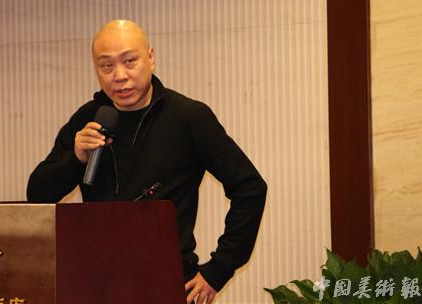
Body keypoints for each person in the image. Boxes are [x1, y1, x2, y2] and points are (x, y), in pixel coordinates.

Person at [27, 19, 267, 304]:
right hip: (95, 283)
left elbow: (250, 187)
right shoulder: (89, 118)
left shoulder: (187, 117)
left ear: (150, 58)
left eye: (130, 61)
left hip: (167, 282)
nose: (119, 76)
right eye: (106, 66)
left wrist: (219, 269)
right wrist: (75, 158)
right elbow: (37, 194)